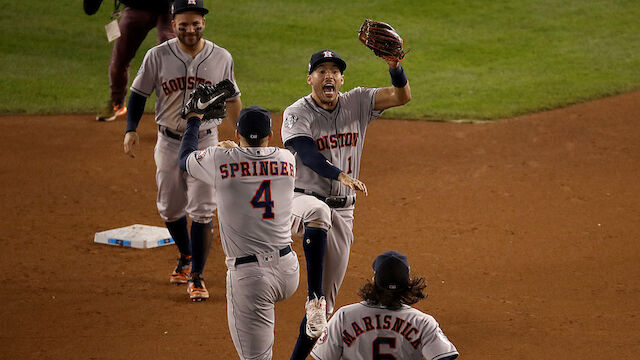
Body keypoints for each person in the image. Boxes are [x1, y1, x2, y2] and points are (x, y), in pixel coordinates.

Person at [281, 49, 411, 359]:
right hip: (302, 199)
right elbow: (308, 154)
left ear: (341, 79)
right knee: (317, 212)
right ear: (310, 78)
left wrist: (395, 67)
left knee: (325, 309)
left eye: (334, 71)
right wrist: (339, 174)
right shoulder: (297, 112)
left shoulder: (358, 101)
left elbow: (401, 96)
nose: (328, 75)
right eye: (321, 70)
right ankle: (290, 269)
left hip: (344, 211)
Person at [122, 0, 242, 301]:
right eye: (183, 24)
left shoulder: (221, 57)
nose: (190, 29)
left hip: (205, 141)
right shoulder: (157, 56)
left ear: (203, 23)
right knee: (170, 207)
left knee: (202, 209)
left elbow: (232, 98)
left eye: (196, 23)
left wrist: (241, 135)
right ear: (173, 24)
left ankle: (197, 276)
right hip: (168, 141)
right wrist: (131, 129)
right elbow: (138, 94)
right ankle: (186, 254)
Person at [178, 100, 300, 360]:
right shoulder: (287, 158)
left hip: (252, 278)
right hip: (288, 271)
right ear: (270, 134)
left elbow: (184, 158)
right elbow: (255, 164)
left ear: (236, 134)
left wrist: (194, 119)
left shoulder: (220, 159)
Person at [310, 250, 459, 360]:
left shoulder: (344, 316)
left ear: (374, 280)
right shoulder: (423, 322)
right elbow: (444, 357)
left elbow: (323, 357)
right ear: (408, 283)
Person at [84, 0, 176, 121]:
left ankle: (174, 108)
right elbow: (89, 9)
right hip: (136, 7)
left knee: (171, 59)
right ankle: (117, 102)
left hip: (169, 10)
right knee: (119, 59)